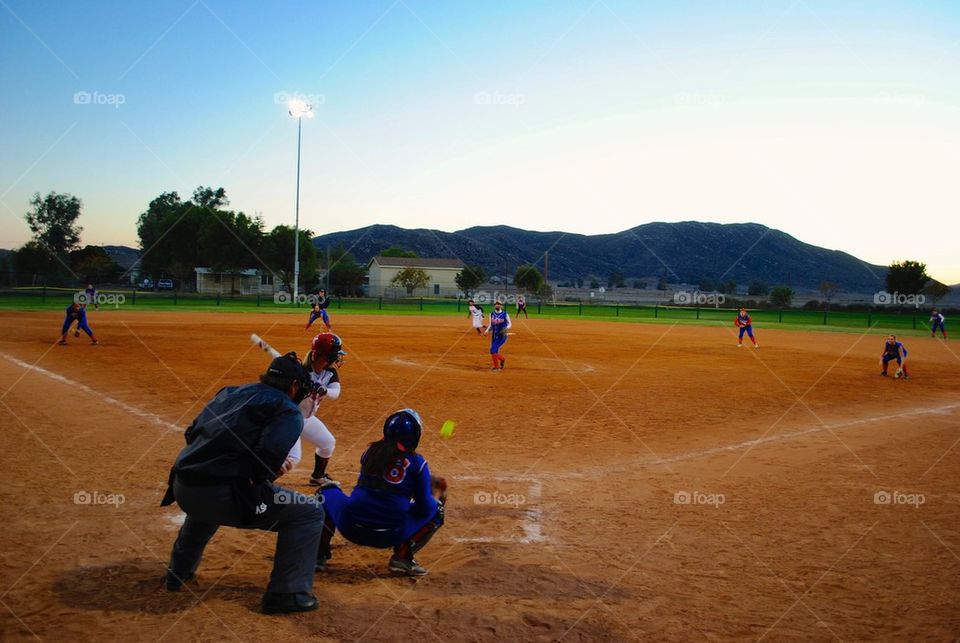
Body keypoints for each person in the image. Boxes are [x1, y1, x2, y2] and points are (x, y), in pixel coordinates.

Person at [161, 352, 326, 614]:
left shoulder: (230, 392)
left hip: (182, 486)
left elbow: (191, 433)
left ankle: (177, 572)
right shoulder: (287, 409)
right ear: (294, 386)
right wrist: (253, 482)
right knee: (309, 512)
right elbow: (269, 455)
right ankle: (287, 594)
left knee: (211, 481)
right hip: (219, 496)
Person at [316, 409, 446, 576]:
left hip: (350, 528)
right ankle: (402, 558)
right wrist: (434, 495)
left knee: (325, 492)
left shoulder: (370, 453)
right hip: (391, 535)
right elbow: (424, 508)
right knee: (436, 509)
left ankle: (317, 555)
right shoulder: (418, 463)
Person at [284, 333, 346, 486]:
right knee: (293, 458)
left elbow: (335, 393)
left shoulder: (330, 373)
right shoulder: (301, 372)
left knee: (328, 443)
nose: (337, 358)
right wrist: (302, 387)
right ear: (325, 356)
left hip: (306, 419)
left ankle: (317, 477)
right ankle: (259, 481)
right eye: (335, 355)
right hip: (290, 419)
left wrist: (324, 390)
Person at [484, 299, 512, 371]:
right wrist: (487, 331)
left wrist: (506, 328)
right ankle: (502, 359)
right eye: (496, 304)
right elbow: (490, 325)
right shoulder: (491, 314)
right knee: (495, 351)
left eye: (499, 304)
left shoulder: (505, 314)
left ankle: (497, 367)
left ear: (501, 306)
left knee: (493, 350)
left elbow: (510, 324)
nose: (497, 305)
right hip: (494, 336)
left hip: (502, 336)